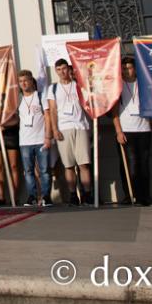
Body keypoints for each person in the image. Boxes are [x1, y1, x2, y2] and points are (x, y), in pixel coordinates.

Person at [47, 59, 92, 205]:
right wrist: (55, 129)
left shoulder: (78, 85)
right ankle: (73, 195)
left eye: (64, 68)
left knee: (84, 164)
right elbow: (52, 110)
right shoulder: (53, 88)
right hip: (63, 128)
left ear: (69, 69)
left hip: (80, 126)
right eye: (59, 69)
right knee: (69, 165)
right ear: (56, 71)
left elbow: (89, 103)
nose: (62, 72)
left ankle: (87, 194)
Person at [111, 57, 152, 206]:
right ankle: (130, 194)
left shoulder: (143, 84)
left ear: (135, 69)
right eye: (123, 68)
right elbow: (114, 111)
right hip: (126, 129)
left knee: (144, 164)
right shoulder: (118, 86)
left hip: (144, 128)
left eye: (129, 68)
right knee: (130, 165)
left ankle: (145, 195)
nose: (126, 71)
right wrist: (118, 131)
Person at [17, 70, 51, 207]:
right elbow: (14, 118)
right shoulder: (18, 99)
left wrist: (48, 136)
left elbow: (47, 116)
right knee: (28, 171)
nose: (23, 83)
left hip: (41, 139)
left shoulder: (40, 96)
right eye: (21, 81)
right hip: (25, 141)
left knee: (44, 170)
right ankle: (32, 196)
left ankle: (46, 196)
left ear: (31, 81)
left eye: (26, 80)